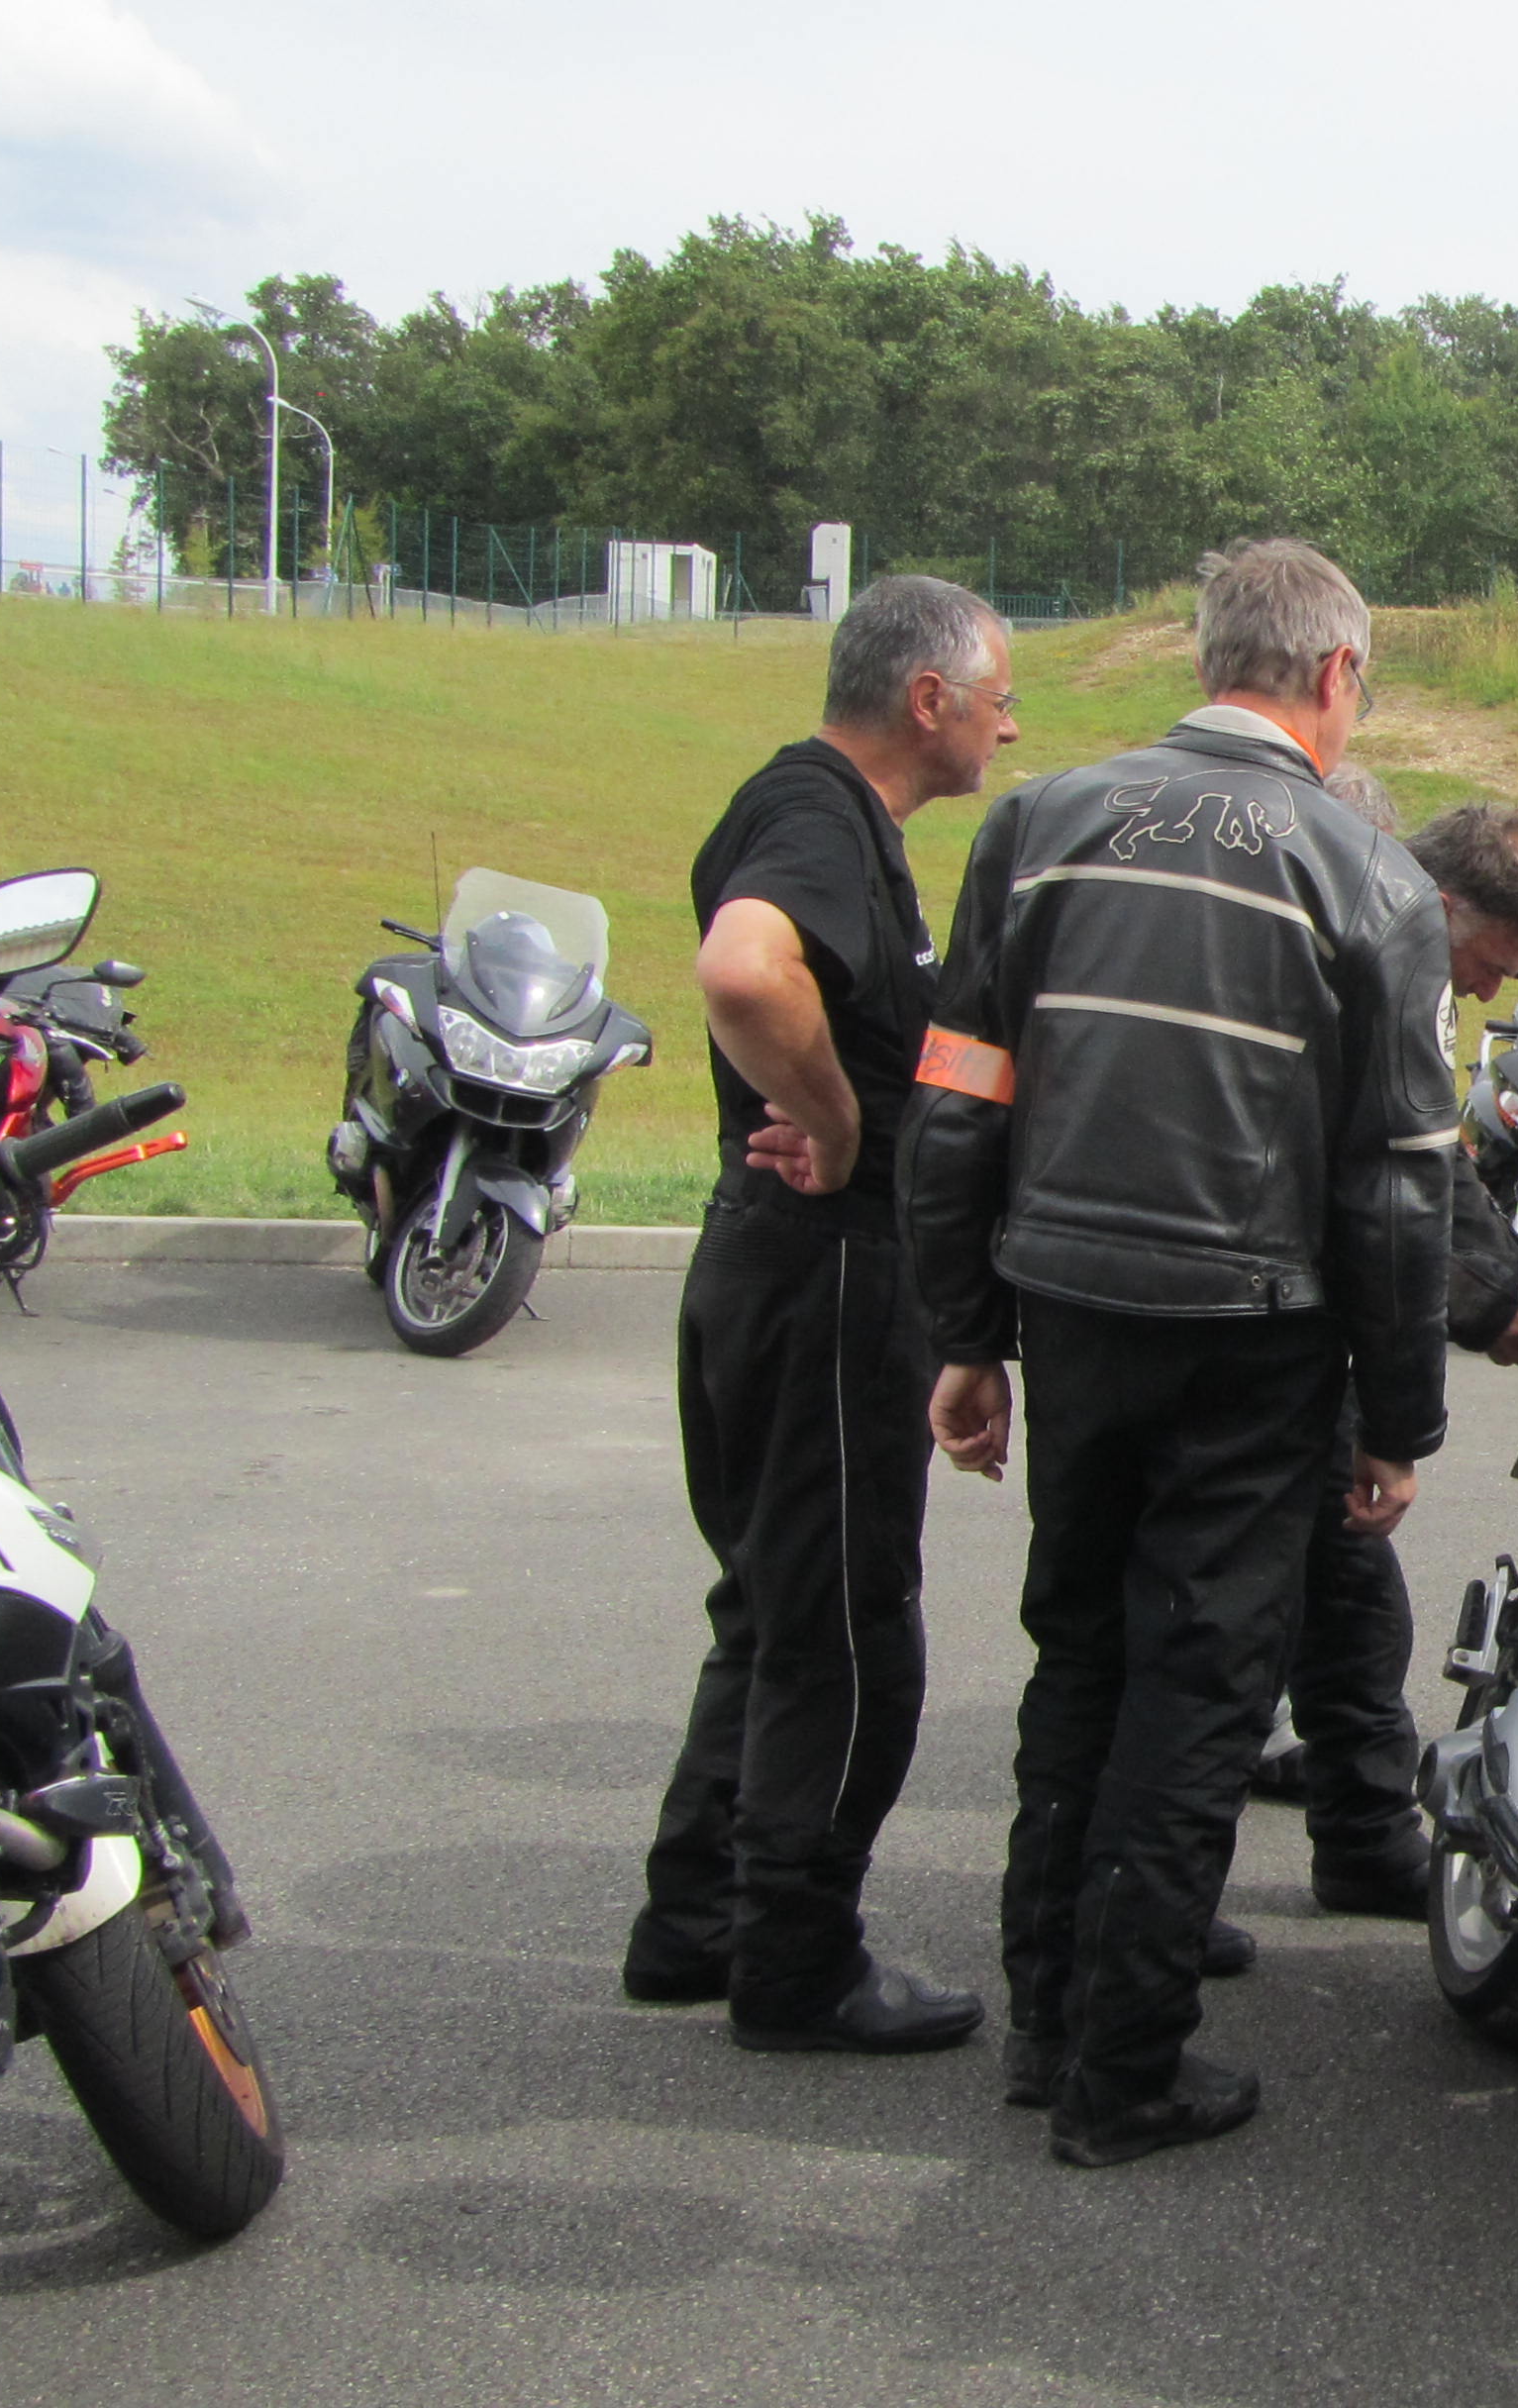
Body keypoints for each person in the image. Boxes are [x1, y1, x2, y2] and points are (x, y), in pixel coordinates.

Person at [902, 537, 1457, 2168]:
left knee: (1079, 1652)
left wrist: (966, 1335)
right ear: (1336, 676)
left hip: (1070, 1311)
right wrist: (1398, 1420)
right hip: (1250, 1335)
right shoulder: (1372, 876)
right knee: (1199, 1685)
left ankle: (1049, 2025)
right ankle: (1124, 2069)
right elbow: (1397, 1190)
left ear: (1210, 656)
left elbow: (957, 1107)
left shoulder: (1035, 825)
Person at [623, 573, 1013, 2055]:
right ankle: (795, 1962)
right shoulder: (818, 814)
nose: (1008, 727)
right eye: (998, 698)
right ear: (929, 698)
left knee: (773, 1605)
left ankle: (698, 1917)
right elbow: (743, 967)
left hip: (771, 1266)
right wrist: (840, 1126)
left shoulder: (829, 817)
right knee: (848, 1633)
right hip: (825, 1271)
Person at [1251, 803, 1518, 1895]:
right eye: (1488, 963)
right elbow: (1388, 1187)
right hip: (1279, 1333)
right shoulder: (1374, 971)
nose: (1487, 992)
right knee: (1320, 1602)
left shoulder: (1367, 958)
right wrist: (1489, 1310)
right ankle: (1343, 1848)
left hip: (1258, 1322)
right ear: (1439, 906)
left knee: (1317, 1602)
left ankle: (1351, 1839)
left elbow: (1438, 1165)